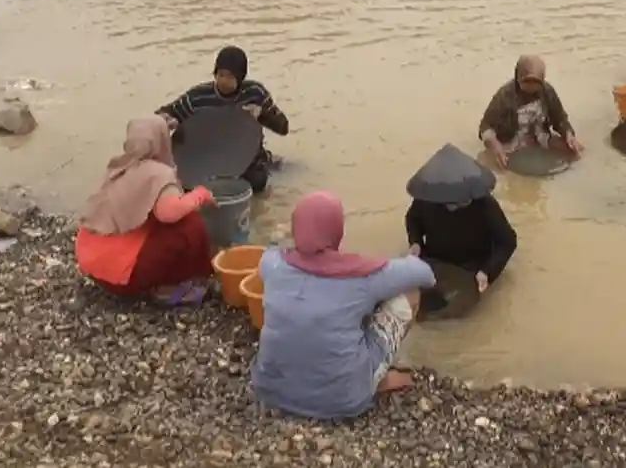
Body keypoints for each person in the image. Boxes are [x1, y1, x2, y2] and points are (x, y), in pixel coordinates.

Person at [252, 191, 436, 419]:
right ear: (337, 230)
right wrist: (394, 261)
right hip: (342, 400)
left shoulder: (274, 265)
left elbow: (270, 253)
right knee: (409, 293)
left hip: (272, 390)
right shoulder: (361, 275)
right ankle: (375, 377)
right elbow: (425, 274)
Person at [76, 116, 217, 305]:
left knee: (167, 222)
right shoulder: (159, 174)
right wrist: (201, 195)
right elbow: (168, 214)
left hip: (92, 265)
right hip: (124, 278)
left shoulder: (118, 167)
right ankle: (170, 289)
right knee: (191, 223)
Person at [156, 45, 289, 193]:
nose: (224, 81)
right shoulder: (198, 97)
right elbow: (164, 113)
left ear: (241, 77)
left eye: (230, 77)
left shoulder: (255, 93)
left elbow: (283, 127)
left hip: (246, 161)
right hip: (209, 160)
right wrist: (168, 121)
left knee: (259, 182)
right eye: (221, 75)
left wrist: (262, 115)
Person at [405, 144, 518, 294]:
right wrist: (416, 242)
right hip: (436, 259)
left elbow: (508, 241)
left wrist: (487, 272)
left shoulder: (484, 204)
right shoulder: (426, 198)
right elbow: (412, 220)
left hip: (474, 265)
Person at [478, 55, 583, 169]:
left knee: (578, 152)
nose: (531, 86)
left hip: (540, 138)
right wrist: (496, 146)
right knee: (486, 162)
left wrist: (569, 134)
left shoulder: (547, 92)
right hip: (510, 142)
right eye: (527, 81)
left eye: (536, 82)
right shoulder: (505, 96)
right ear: (518, 78)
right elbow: (485, 127)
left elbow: (560, 119)